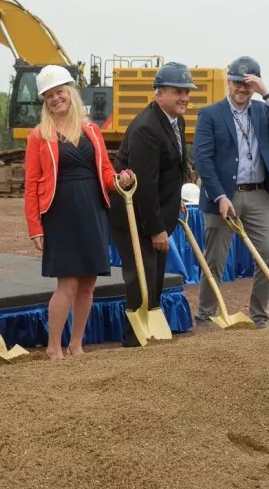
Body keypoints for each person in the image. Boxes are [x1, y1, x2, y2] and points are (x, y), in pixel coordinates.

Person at [23, 65, 134, 359]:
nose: (55, 98)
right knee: (68, 283)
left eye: (59, 92)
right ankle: (53, 347)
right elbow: (31, 183)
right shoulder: (39, 136)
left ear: (70, 92)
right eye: (48, 95)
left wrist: (119, 180)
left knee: (88, 283)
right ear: (45, 101)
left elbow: (105, 171)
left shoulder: (92, 130)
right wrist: (35, 226)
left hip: (93, 209)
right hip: (60, 212)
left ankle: (76, 344)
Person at [192, 56, 269, 329]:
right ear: (229, 82)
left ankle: (259, 317)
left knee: (268, 258)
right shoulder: (210, 115)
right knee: (214, 259)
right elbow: (202, 159)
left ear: (255, 86)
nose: (241, 89)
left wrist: (267, 93)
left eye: (248, 85)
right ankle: (206, 316)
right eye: (237, 82)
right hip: (224, 196)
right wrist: (219, 196)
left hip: (258, 194)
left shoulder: (262, 111)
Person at [109, 62, 193, 348]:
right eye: (177, 92)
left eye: (186, 92)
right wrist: (156, 229)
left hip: (154, 209)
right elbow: (143, 184)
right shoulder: (147, 128)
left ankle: (149, 330)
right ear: (159, 93)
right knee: (141, 273)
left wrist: (176, 198)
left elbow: (170, 170)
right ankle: (134, 338)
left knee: (155, 272)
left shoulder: (174, 121)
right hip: (135, 215)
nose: (184, 97)